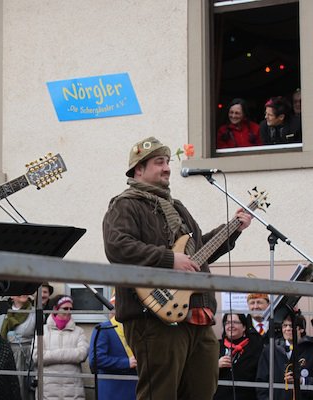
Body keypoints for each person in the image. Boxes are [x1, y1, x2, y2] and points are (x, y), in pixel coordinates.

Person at [102, 136, 253, 400]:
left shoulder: (177, 208)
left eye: (168, 161)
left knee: (202, 392)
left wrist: (233, 229)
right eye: (159, 162)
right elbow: (118, 246)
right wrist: (169, 260)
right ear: (139, 169)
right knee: (159, 394)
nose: (167, 168)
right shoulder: (125, 204)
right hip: (152, 317)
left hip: (198, 317)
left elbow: (198, 254)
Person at [33, 295, 89, 400]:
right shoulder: (42, 331)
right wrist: (70, 354)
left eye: (70, 309)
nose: (68, 311)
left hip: (73, 391)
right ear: (55, 309)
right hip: (48, 391)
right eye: (65, 308)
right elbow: (37, 357)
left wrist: (51, 354)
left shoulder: (79, 331)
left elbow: (82, 355)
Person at [256, 313, 313, 400]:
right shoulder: (270, 350)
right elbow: (261, 381)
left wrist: (302, 381)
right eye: (285, 325)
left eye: (291, 326)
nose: (287, 329)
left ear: (302, 329)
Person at [88, 295, 137, 400]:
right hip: (112, 389)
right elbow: (95, 360)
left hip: (134, 388)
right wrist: (126, 363)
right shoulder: (103, 328)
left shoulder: (135, 328)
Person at [214, 313, 263, 400]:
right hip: (219, 396)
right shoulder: (215, 346)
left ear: (244, 327)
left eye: (235, 322)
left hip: (247, 396)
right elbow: (202, 371)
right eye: (228, 322)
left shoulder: (255, 347)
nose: (230, 326)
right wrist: (216, 366)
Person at [0, 295, 36, 400]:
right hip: (7, 354)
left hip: (28, 355)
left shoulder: (34, 313)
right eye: (19, 291)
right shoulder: (5, 312)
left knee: (26, 387)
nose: (23, 293)